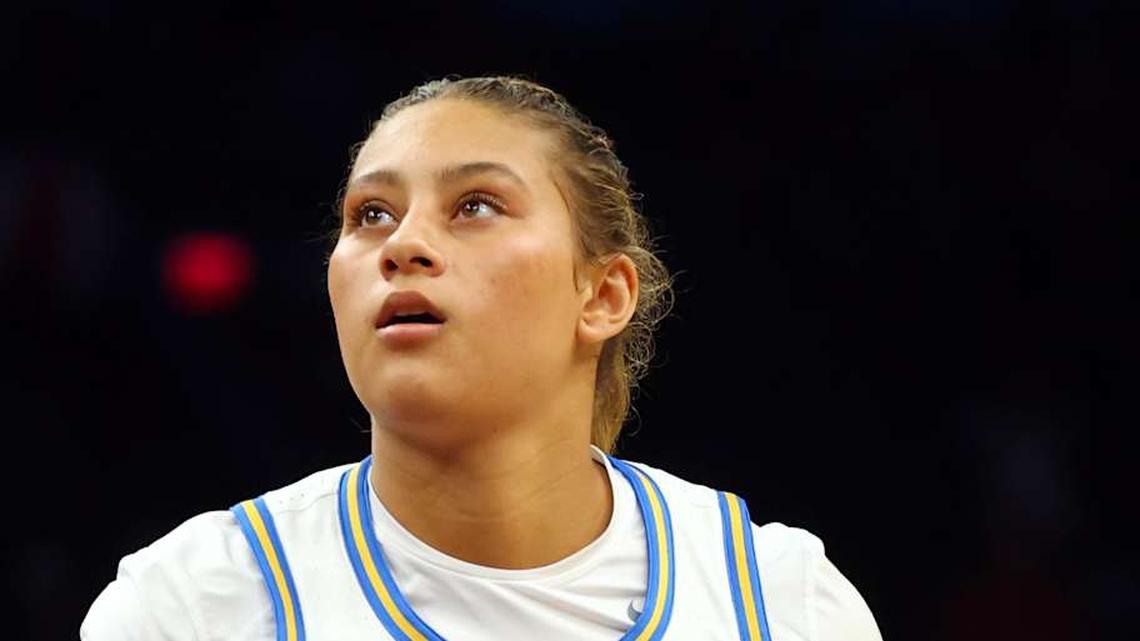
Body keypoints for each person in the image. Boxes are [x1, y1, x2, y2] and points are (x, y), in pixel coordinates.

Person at [80, 75, 883, 641]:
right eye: (370, 214)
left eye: (475, 205)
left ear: (602, 295)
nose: (404, 244)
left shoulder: (782, 604)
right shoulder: (194, 605)